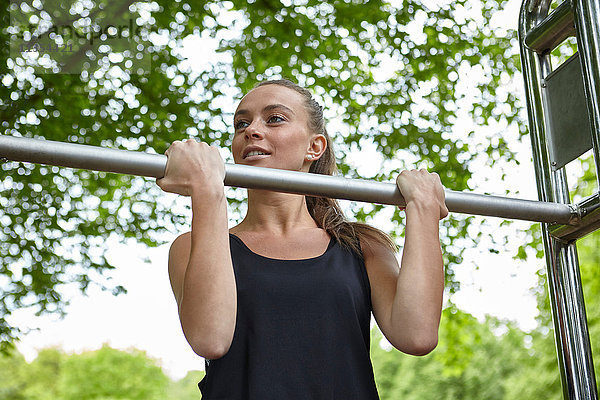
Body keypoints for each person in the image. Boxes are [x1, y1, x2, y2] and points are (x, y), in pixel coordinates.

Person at [156, 79, 448, 399]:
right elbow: (210, 339)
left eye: (274, 118)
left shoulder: (360, 247)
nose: (251, 130)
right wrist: (207, 192)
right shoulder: (191, 246)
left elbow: (417, 335)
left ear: (314, 147)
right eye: (241, 123)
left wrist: (423, 209)